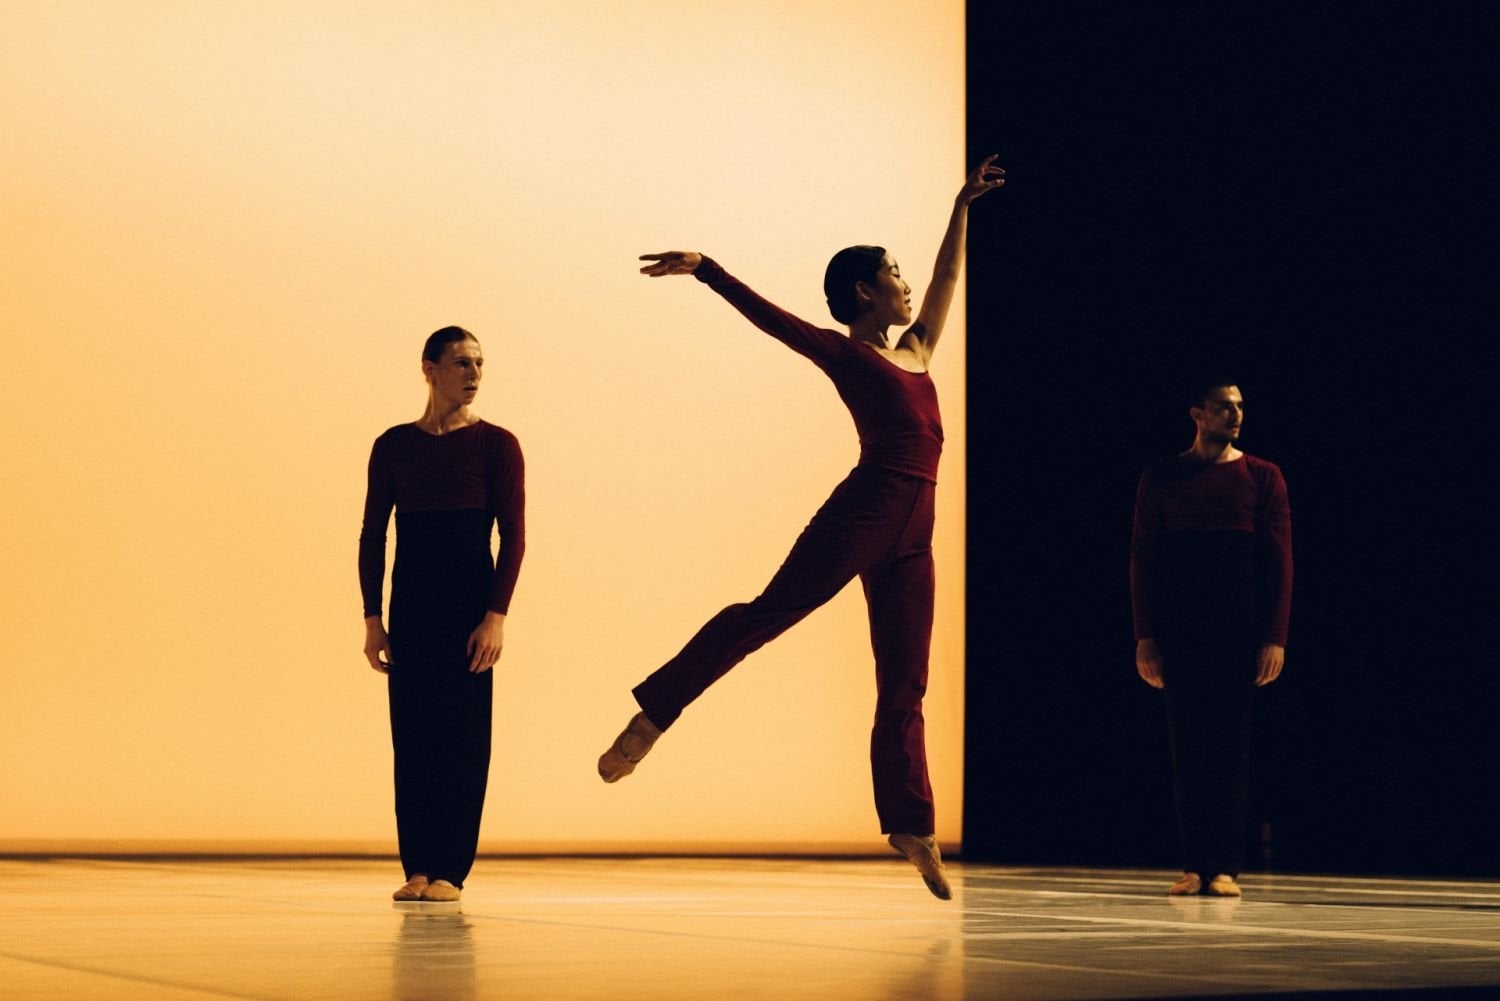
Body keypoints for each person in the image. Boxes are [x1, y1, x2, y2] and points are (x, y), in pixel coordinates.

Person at [596, 157, 1006, 900]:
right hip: (867, 511)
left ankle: (910, 822)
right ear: (864, 290)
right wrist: (709, 271)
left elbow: (949, 281)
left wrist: (961, 206)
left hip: (916, 534)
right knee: (766, 615)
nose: (907, 284)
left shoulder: (915, 351)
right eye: (895, 273)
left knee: (905, 683)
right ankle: (655, 711)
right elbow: (774, 322)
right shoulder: (846, 351)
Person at [359, 325, 526, 904]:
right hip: (410, 609)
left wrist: (495, 616)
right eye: (461, 363)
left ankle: (451, 869)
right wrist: (372, 618)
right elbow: (373, 534)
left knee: (462, 739)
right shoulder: (394, 445)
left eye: (479, 363)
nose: (474, 374)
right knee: (413, 737)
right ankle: (418, 866)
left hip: (468, 611)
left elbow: (515, 537)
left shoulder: (497, 445)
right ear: (428, 368)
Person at [1130, 381, 1292, 898]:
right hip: (1180, 630)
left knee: (1230, 746)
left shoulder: (1262, 477)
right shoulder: (1162, 476)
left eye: (1241, 405)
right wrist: (1145, 636)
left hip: (1238, 630)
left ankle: (1225, 865)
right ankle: (1193, 864)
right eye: (1225, 406)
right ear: (1198, 414)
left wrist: (1275, 636)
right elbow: (1142, 561)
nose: (1236, 413)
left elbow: (1280, 563)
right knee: (1187, 747)